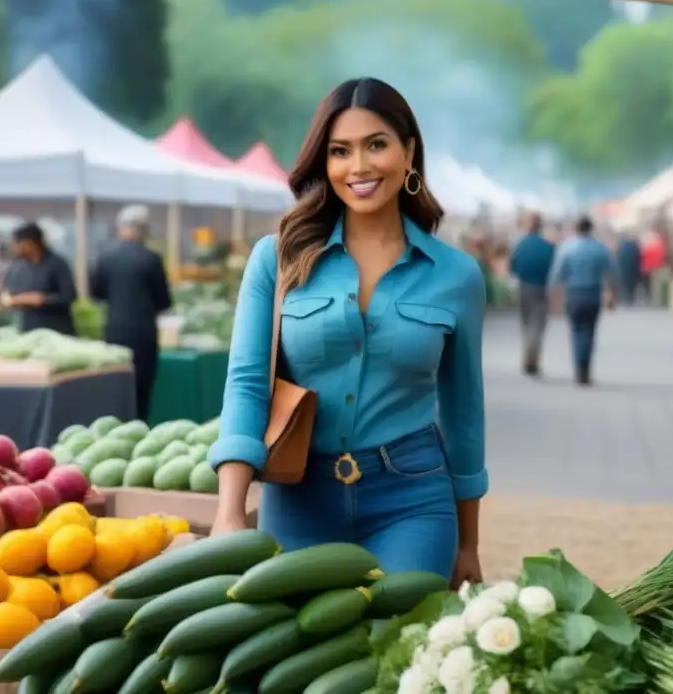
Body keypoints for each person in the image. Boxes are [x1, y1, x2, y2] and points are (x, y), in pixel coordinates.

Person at [208, 78, 487, 586]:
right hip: (298, 497)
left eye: (376, 144)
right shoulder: (277, 259)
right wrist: (230, 512)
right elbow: (248, 381)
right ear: (324, 163)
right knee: (298, 658)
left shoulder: (457, 275)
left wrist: (468, 545)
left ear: (408, 152)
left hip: (413, 500)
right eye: (340, 151)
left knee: (396, 651)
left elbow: (464, 414)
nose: (358, 167)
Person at [91, 206, 173, 421]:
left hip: (114, 331)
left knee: (116, 387)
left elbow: (96, 294)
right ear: (144, 231)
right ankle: (138, 428)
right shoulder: (151, 259)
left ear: (120, 229)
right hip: (143, 334)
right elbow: (164, 301)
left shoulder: (105, 257)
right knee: (141, 390)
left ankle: (114, 427)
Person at [548, 215, 616, 386]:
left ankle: (579, 368)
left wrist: (555, 300)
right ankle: (585, 368)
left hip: (573, 294)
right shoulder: (600, 248)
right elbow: (612, 273)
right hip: (593, 294)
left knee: (576, 330)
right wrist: (612, 294)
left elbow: (556, 276)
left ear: (576, 229)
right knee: (589, 332)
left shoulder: (566, 248)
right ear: (590, 229)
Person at [2, 222, 77, 335]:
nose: (14, 248)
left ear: (30, 243)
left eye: (17, 244)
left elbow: (69, 296)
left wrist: (42, 299)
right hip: (27, 332)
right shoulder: (17, 267)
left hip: (56, 333)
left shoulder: (57, 264)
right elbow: (8, 294)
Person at [509, 211, 555, 376]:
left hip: (524, 287)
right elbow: (554, 270)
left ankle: (527, 358)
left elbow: (512, 267)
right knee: (537, 324)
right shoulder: (548, 246)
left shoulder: (520, 245)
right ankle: (532, 360)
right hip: (541, 288)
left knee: (526, 323)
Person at [615, 231, 642, 305]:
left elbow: (619, 257)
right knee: (632, 283)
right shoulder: (634, 245)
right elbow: (639, 257)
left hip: (624, 268)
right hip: (633, 268)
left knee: (625, 283)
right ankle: (630, 297)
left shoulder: (622, 245)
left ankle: (627, 297)